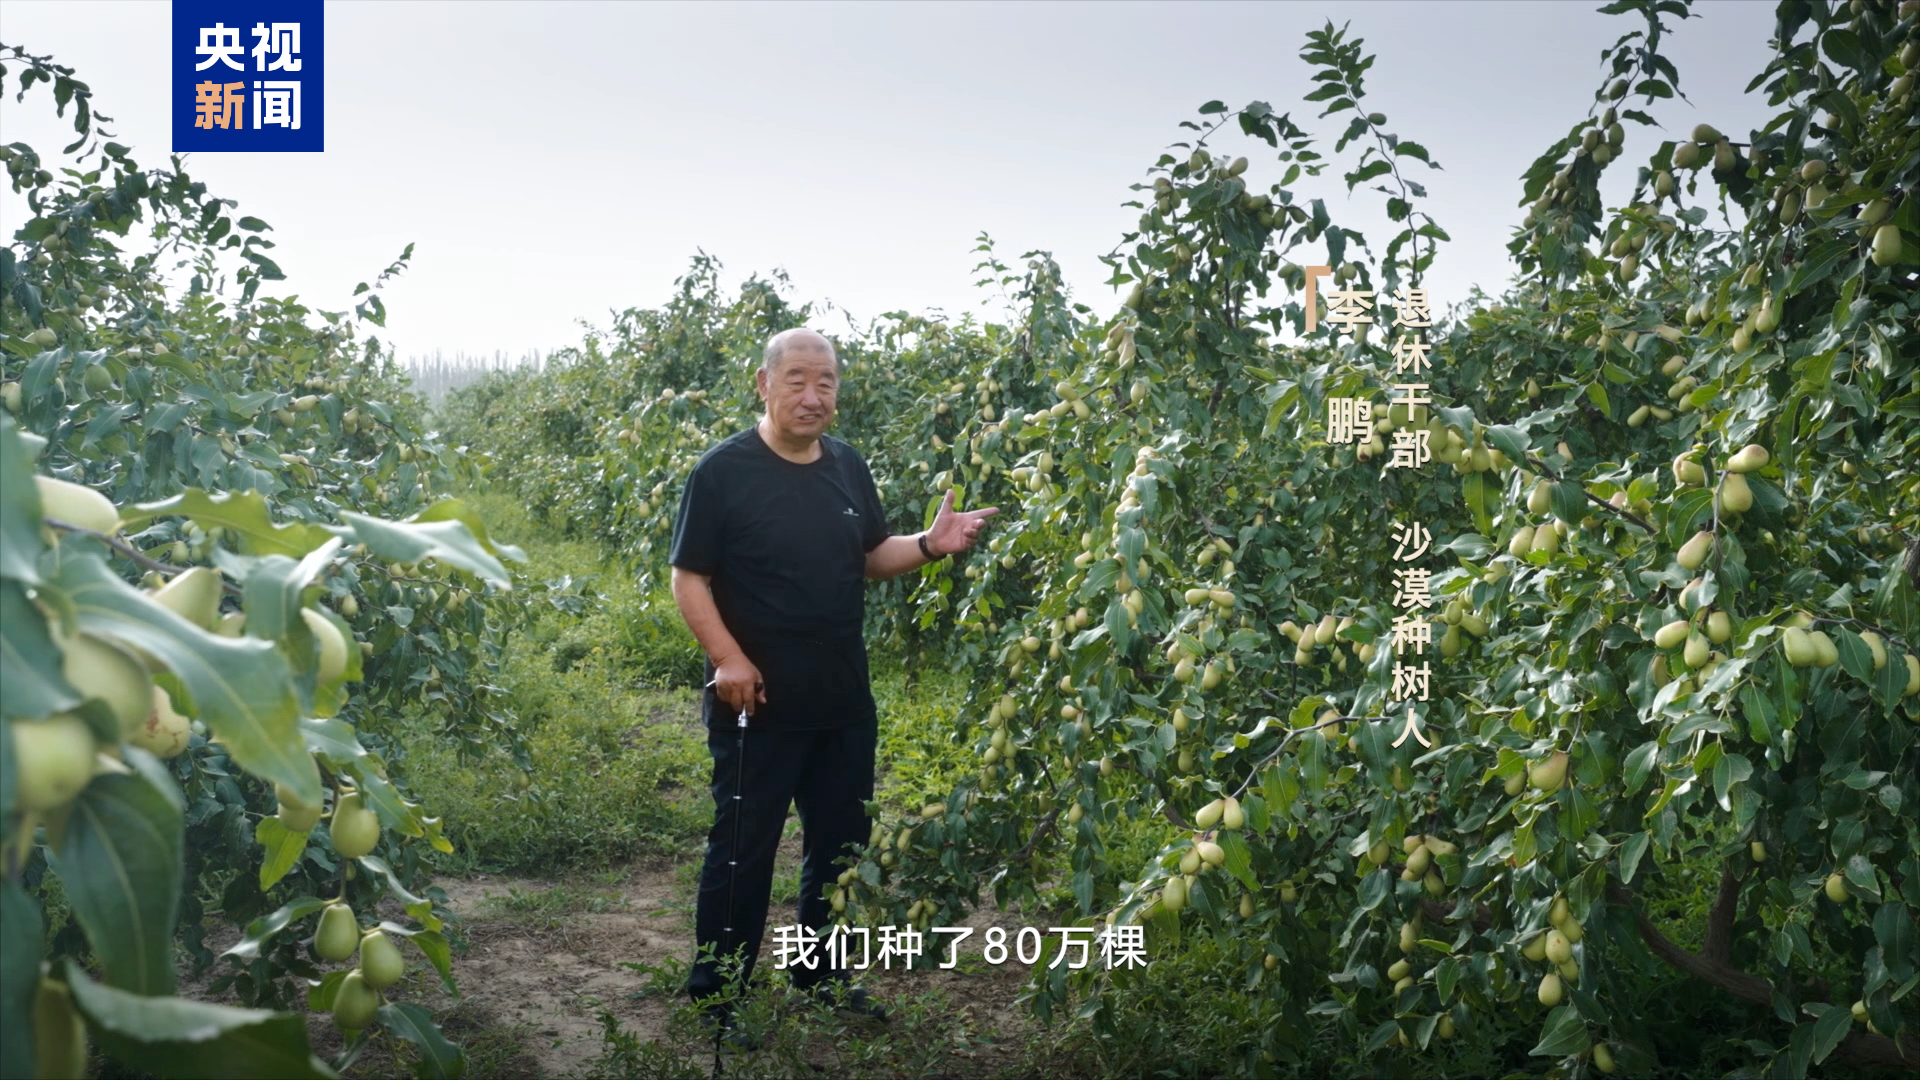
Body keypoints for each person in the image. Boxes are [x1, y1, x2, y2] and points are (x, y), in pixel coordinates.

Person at [668, 327, 998, 1046]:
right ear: (765, 384)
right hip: (756, 701)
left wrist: (928, 545)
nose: (813, 396)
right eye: (797, 380)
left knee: (840, 846)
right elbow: (689, 577)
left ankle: (819, 974)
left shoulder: (847, 465)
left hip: (842, 699)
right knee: (743, 849)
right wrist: (727, 658)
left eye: (826, 383)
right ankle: (718, 994)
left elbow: (870, 554)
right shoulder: (723, 471)